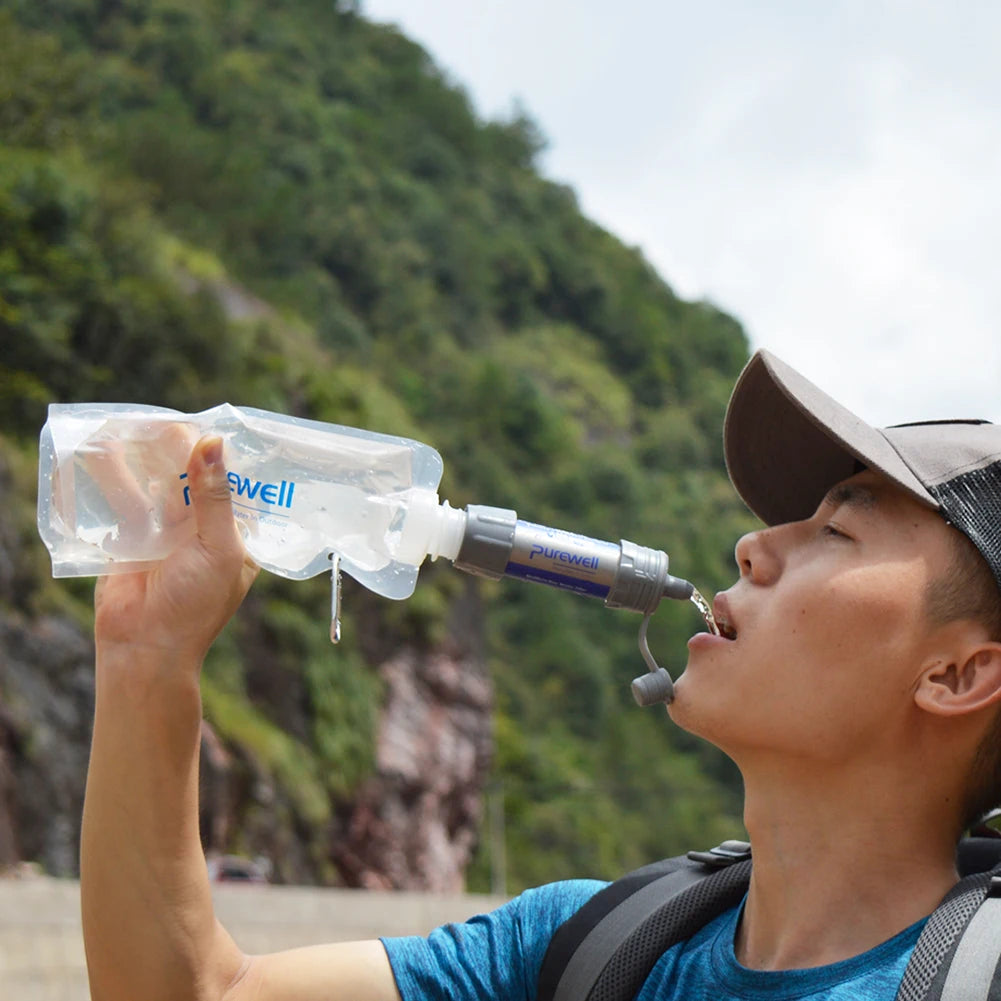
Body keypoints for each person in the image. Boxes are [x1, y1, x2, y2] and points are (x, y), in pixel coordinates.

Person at [80, 349, 1001, 1001]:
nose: (753, 543)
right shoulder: (589, 948)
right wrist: (147, 661)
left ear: (958, 673)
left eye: (838, 529)